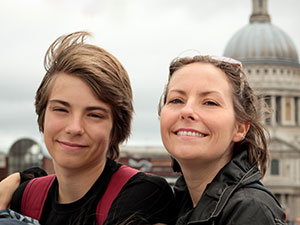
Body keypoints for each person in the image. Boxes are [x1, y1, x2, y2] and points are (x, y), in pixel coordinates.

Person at [0, 31, 176, 225]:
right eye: (61, 109)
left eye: (94, 115)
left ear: (116, 128)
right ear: (42, 116)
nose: (74, 128)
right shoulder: (24, 198)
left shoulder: (144, 195)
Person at [158, 55, 287, 225]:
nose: (186, 110)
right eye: (176, 100)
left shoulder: (251, 210)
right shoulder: (167, 205)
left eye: (210, 102)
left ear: (240, 128)